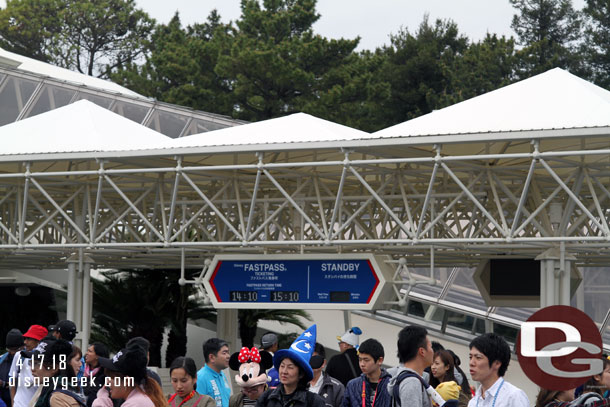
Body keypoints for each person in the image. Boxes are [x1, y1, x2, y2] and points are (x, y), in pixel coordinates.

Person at [256, 325, 326, 407]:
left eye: (290, 367)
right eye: (282, 366)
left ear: (301, 373)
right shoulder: (267, 397)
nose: (284, 371)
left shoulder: (313, 401)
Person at [92, 343, 167, 407]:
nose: (108, 381)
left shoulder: (135, 404)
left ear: (127, 380)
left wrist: (101, 400)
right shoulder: (138, 400)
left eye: (112, 377)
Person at [467, 333, 529, 407]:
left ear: (497, 363)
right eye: (470, 357)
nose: (471, 363)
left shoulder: (513, 396)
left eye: (478, 357)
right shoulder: (473, 401)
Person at [27, 337, 85, 407]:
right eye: (31, 363)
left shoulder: (58, 398)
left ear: (54, 368)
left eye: (37, 364)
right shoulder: (47, 388)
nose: (32, 369)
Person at [387, 325, 434, 407]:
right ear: (422, 351)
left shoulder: (408, 378)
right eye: (430, 346)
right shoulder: (412, 382)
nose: (433, 351)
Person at [342, 339, 390, 407]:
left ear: (380, 360)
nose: (362, 364)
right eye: (360, 360)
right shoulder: (352, 385)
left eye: (366, 360)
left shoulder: (391, 385)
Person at [9, 325, 48, 407]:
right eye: (25, 338)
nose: (25, 342)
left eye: (29, 339)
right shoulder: (19, 356)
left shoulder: (48, 361)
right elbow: (12, 379)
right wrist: (13, 402)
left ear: (39, 341)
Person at [196, 339, 231, 407]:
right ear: (212, 357)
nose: (228, 356)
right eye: (224, 353)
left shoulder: (222, 375)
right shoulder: (200, 378)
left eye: (228, 353)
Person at [0, 329, 23, 407]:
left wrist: (4, 383)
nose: (12, 353)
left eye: (15, 350)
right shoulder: (2, 360)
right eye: (10, 350)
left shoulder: (28, 360)